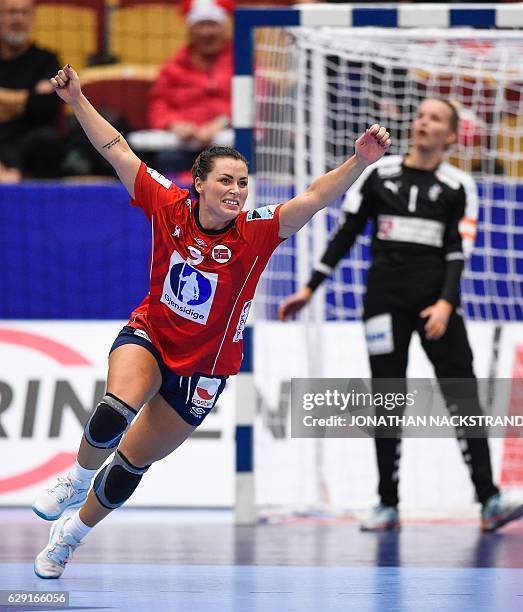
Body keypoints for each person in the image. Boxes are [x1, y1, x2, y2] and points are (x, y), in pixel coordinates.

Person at [31, 63, 390, 579]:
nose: (237, 190)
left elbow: (316, 197)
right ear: (199, 184)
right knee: (114, 411)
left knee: (131, 466)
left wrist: (359, 161)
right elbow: (116, 149)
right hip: (152, 334)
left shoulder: (259, 230)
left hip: (205, 368)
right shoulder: (168, 203)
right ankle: (75, 477)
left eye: (243, 183)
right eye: (226, 180)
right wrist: (77, 100)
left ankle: (72, 536)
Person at [278, 98, 523, 533]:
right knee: (387, 400)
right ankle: (387, 504)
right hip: (384, 304)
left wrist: (447, 303)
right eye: (420, 115)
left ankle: (489, 501)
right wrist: (310, 287)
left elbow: (457, 250)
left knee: (462, 396)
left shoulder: (458, 186)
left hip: (438, 304)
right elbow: (348, 233)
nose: (423, 122)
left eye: (435, 118)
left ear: (451, 135)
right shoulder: (379, 174)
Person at [144, 0, 233, 176]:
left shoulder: (242, 62)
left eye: (212, 25)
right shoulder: (173, 66)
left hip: (229, 142)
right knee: (166, 160)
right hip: (182, 146)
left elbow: (256, 102)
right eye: (201, 25)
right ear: (191, 30)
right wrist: (173, 123)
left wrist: (221, 123)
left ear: (224, 29)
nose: (207, 32)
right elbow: (158, 104)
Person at [0, 0, 61, 181]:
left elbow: (45, 108)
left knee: (47, 139)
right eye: (10, 12)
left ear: (33, 18)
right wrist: (28, 98)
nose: (17, 19)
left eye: (24, 12)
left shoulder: (47, 60)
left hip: (30, 139)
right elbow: (35, 102)